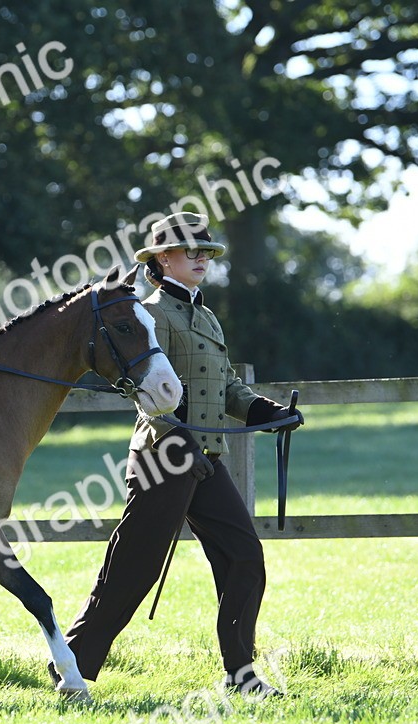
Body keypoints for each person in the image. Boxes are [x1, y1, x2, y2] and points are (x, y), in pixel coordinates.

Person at [60, 211, 303, 697]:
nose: (199, 259)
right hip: (161, 457)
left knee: (243, 557)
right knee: (134, 570)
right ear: (162, 259)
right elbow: (146, 395)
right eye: (188, 252)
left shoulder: (207, 315)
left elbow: (228, 386)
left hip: (205, 460)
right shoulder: (148, 314)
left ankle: (241, 673)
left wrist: (266, 412)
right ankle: (73, 668)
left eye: (205, 253)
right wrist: (180, 444)